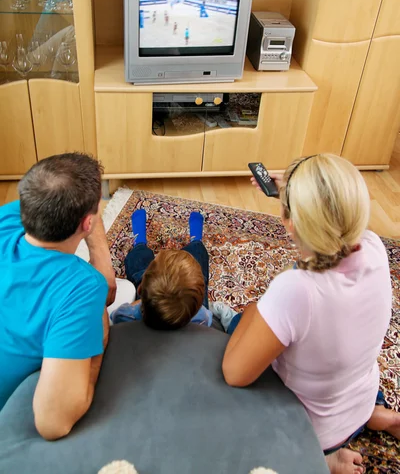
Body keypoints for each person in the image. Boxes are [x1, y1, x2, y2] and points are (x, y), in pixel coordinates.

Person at [213, 154, 400, 474]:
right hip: (361, 400)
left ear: (291, 223)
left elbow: (234, 373)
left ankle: (321, 462)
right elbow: (339, 206)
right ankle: (380, 414)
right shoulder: (373, 248)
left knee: (226, 329)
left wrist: (255, 310)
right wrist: (295, 189)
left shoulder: (297, 290)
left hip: (316, 434)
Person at [0, 153, 116, 440]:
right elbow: (52, 423)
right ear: (87, 223)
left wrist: (104, 266)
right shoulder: (81, 287)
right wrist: (97, 348)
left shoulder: (7, 220)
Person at [111, 210, 213, 329]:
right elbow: (209, 317)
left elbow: (115, 316)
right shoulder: (202, 317)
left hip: (148, 309)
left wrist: (143, 299)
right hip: (188, 313)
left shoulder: (127, 316)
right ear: (200, 301)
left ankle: (139, 243)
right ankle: (196, 240)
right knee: (197, 259)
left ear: (139, 290)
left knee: (139, 266)